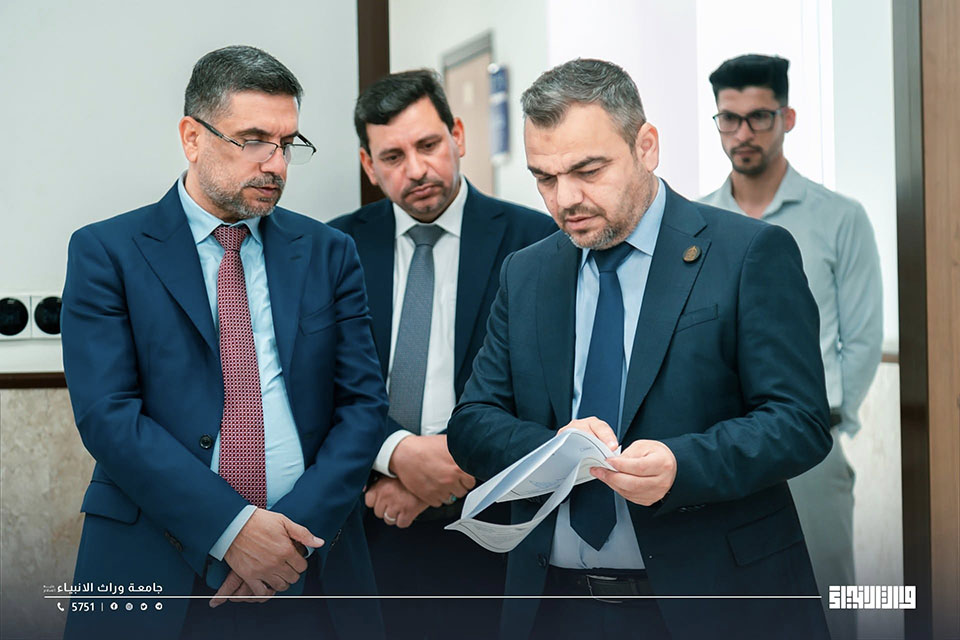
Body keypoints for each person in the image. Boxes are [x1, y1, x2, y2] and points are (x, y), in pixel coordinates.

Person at [446, 58, 833, 640]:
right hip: (553, 607)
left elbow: (799, 422)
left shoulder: (748, 253)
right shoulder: (526, 273)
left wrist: (683, 465)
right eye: (544, 178)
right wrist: (558, 452)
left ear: (646, 146)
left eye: (588, 170)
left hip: (713, 603)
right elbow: (473, 423)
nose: (565, 199)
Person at [60, 45, 387, 640]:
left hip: (309, 565)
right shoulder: (106, 252)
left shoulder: (329, 252)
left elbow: (363, 407)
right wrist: (232, 528)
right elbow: (108, 416)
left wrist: (286, 536)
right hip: (154, 564)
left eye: (287, 143)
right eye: (254, 140)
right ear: (192, 137)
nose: (276, 164)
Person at [325, 69, 556, 640]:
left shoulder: (537, 242)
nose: (417, 169)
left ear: (458, 135)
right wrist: (395, 457)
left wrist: (442, 473)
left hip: (494, 527)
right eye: (393, 156)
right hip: (364, 522)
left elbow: (546, 389)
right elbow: (318, 382)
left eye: (428, 145)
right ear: (368, 165)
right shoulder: (332, 249)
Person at [700, 53, 883, 640]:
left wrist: (824, 419)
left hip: (809, 446)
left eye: (759, 117)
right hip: (718, 448)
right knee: (730, 606)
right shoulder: (697, 223)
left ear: (788, 118)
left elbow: (862, 338)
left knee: (828, 602)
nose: (743, 133)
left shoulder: (839, 218)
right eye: (729, 119)